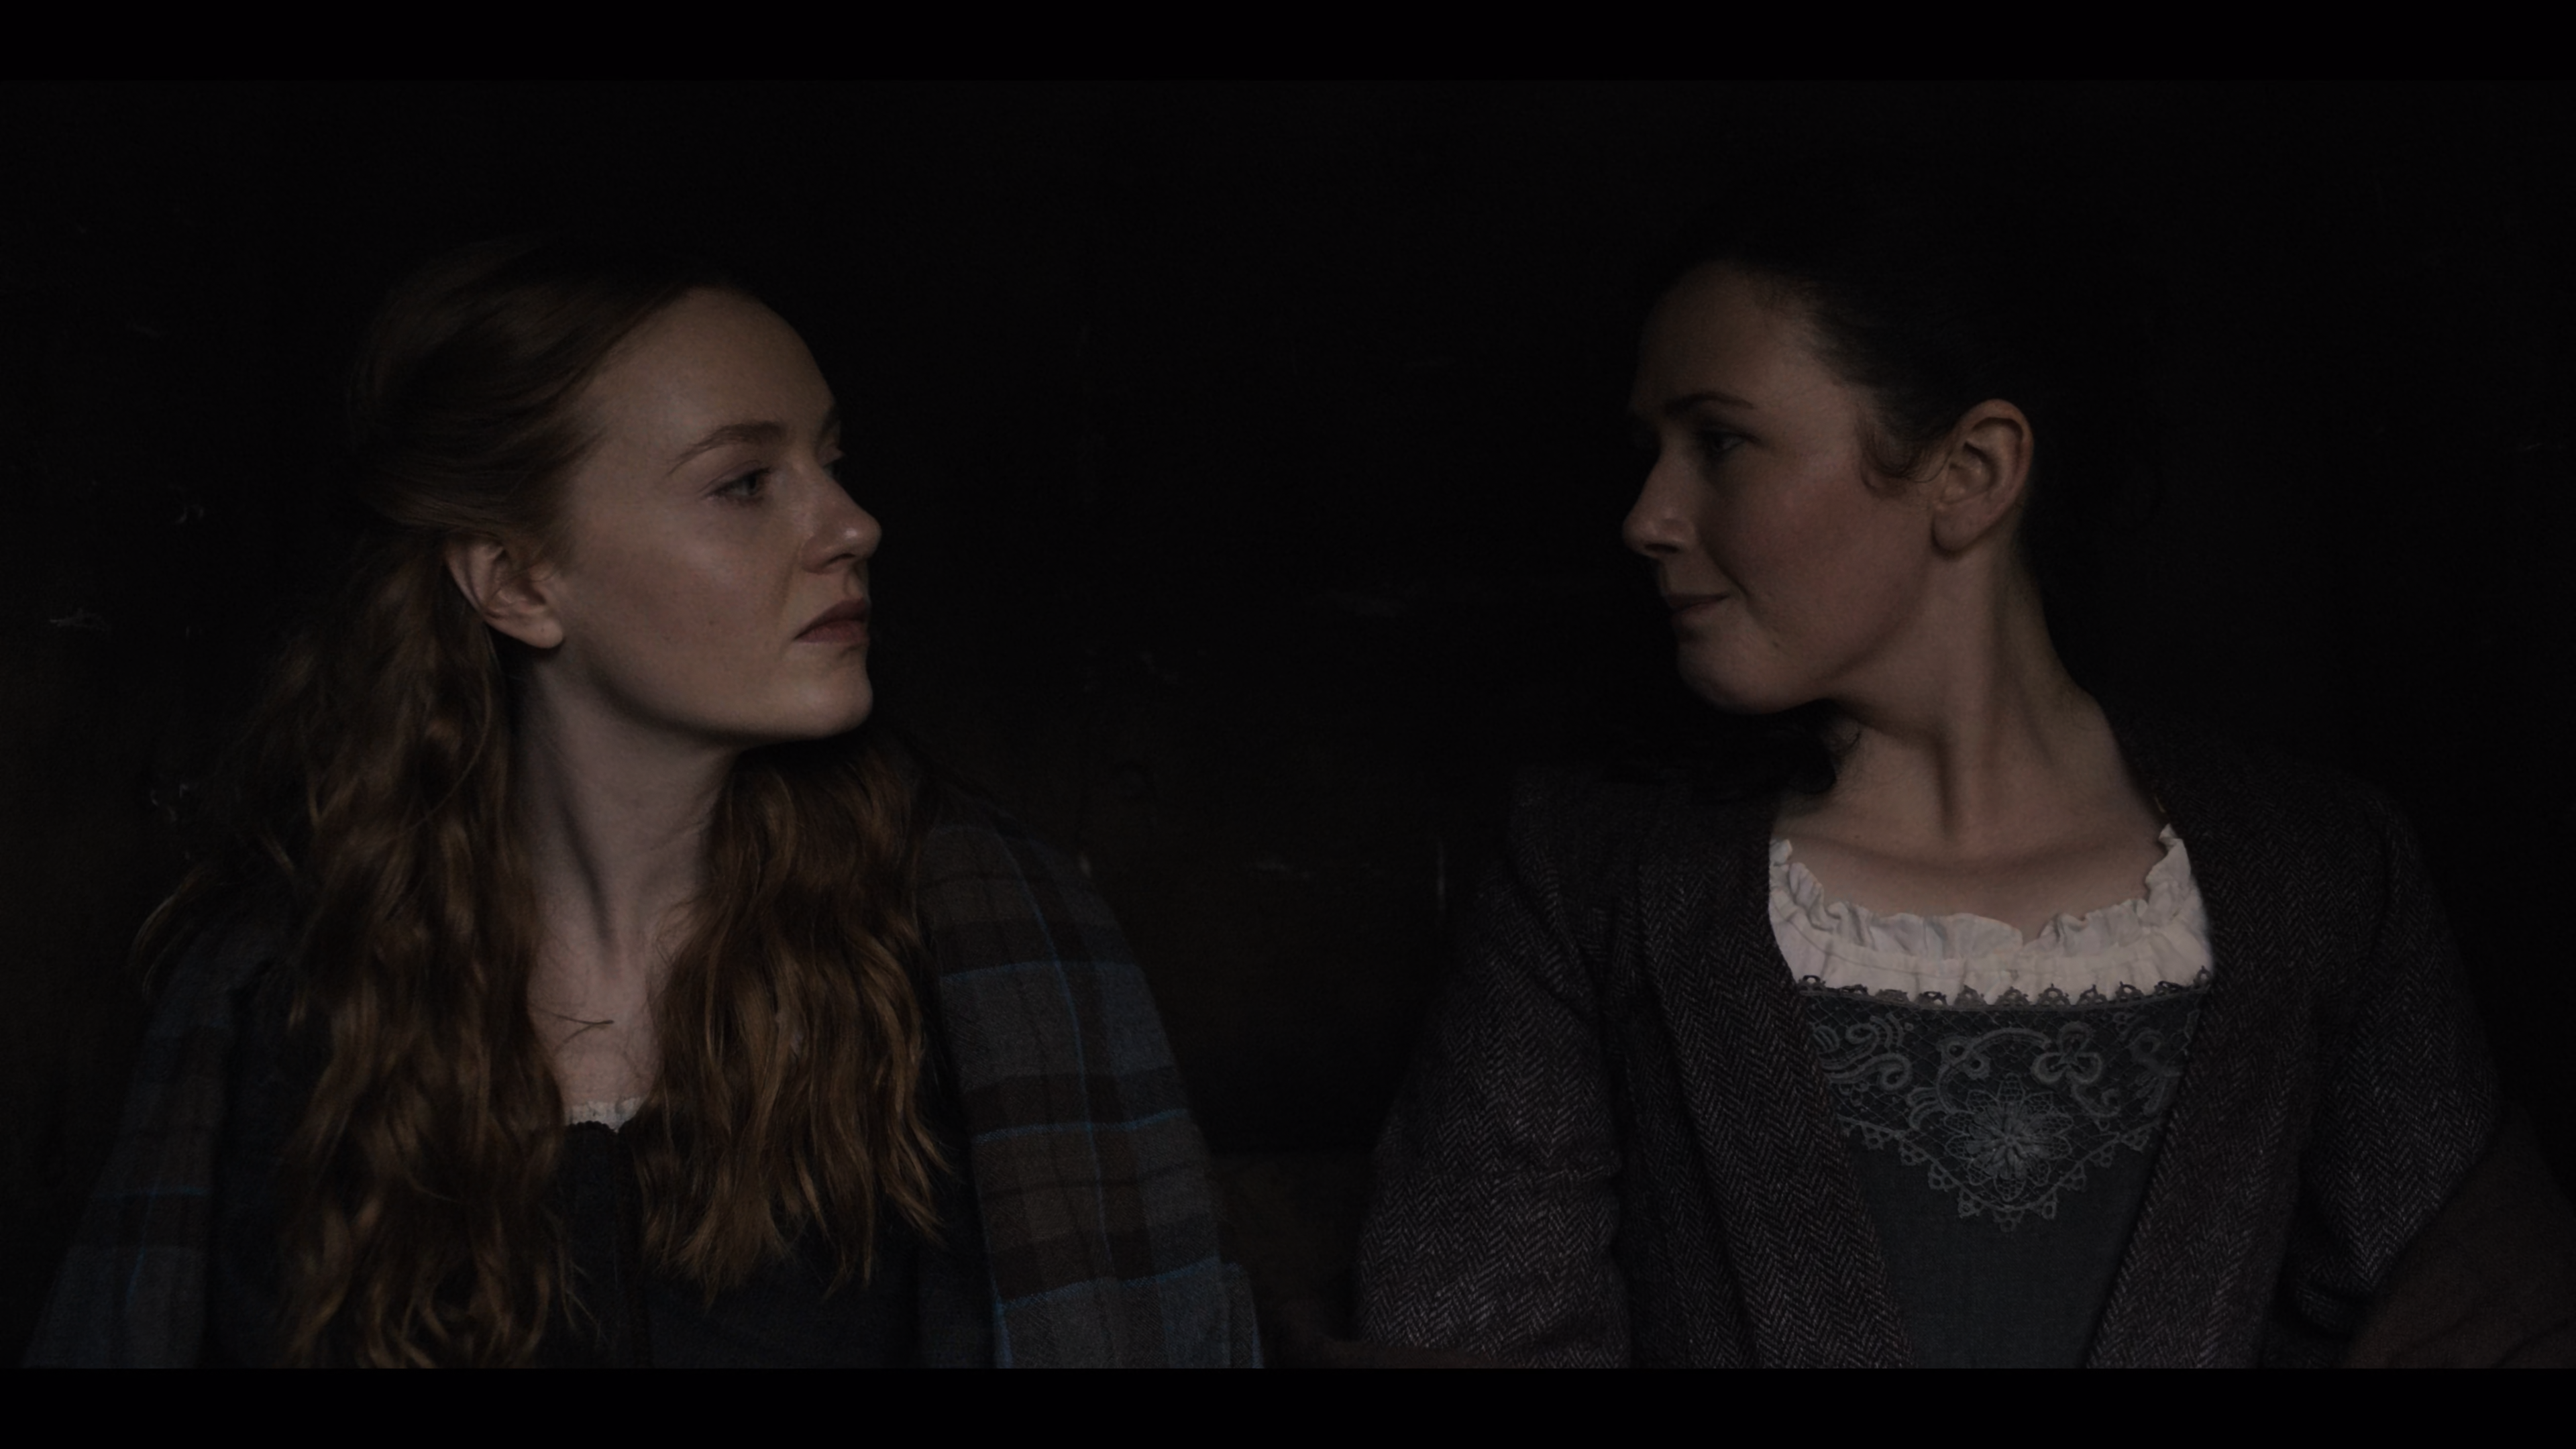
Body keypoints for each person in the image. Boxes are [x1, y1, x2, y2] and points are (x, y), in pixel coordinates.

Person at [1352, 156, 2576, 1367]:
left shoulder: (2321, 871)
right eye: (1650, 450)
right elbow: (1465, 1340)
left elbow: (2493, 1318)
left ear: (1973, 472)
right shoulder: (1591, 875)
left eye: (1719, 442)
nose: (1647, 516)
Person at [27, 237, 1256, 1368]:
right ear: (518, 583)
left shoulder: (992, 945)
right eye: (745, 482)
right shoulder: (281, 990)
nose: (853, 525)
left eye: (830, 462)